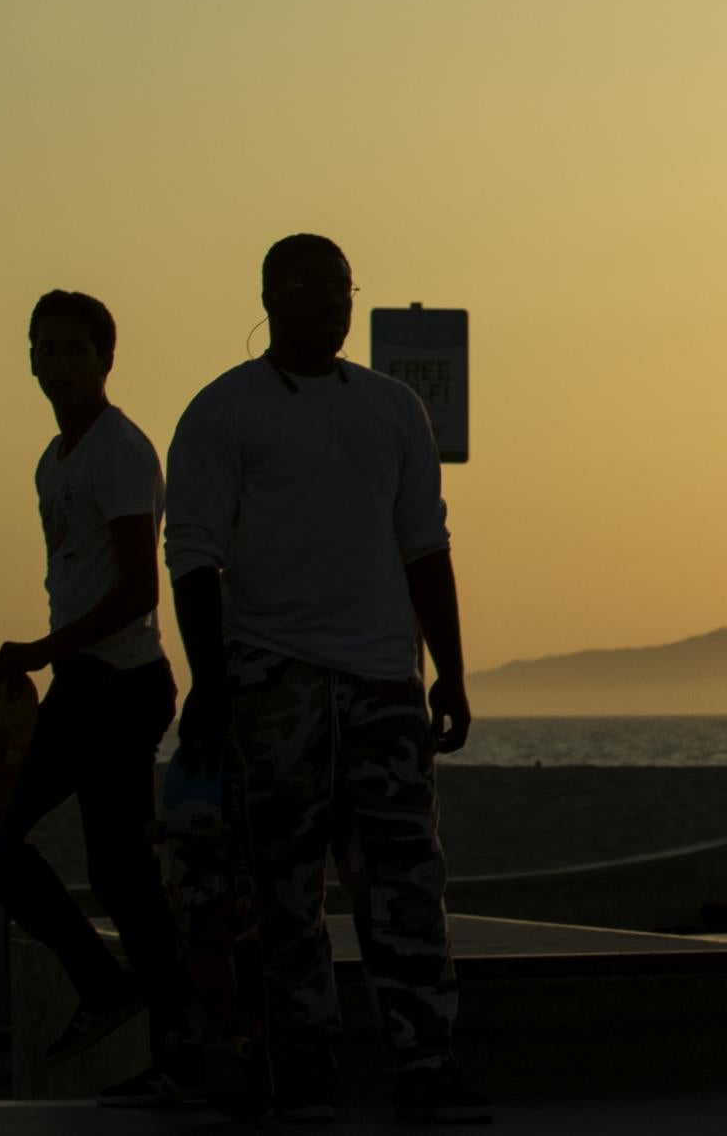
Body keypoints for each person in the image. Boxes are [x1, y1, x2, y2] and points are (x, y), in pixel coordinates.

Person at [164, 235, 488, 1123]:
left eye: (346, 289)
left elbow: (426, 545)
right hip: (276, 682)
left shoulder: (392, 411)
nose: (338, 306)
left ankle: (426, 1065)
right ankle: (302, 1069)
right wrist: (215, 680)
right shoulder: (222, 414)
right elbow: (192, 556)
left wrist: (450, 673)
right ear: (270, 296)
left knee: (406, 886)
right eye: (316, 289)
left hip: (383, 681)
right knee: (280, 891)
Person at [0, 290, 193, 1107]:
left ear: (107, 359)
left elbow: (139, 588)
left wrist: (41, 651)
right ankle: (139, 1016)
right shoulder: (54, 459)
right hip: (83, 684)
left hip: (119, 684)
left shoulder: (119, 451)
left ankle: (148, 1023)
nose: (60, 364)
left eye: (75, 349)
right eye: (47, 349)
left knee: (83, 860)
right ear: (30, 359)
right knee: (108, 871)